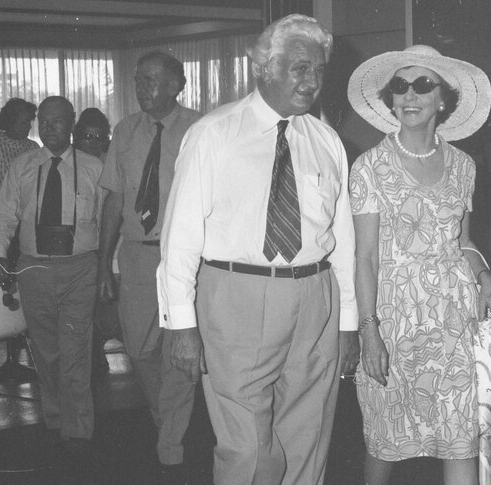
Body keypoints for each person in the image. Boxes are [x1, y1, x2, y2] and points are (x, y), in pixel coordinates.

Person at [157, 14, 359, 484]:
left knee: (307, 439)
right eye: (300, 68)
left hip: (316, 298)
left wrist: (348, 323)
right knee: (247, 450)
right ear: (265, 68)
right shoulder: (214, 133)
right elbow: (180, 236)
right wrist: (182, 326)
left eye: (319, 70)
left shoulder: (327, 141)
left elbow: (342, 238)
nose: (312, 81)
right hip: (235, 298)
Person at [346, 44, 491, 485]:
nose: (409, 96)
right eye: (400, 86)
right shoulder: (369, 168)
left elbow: (465, 242)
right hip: (395, 322)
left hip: (454, 322)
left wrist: (485, 276)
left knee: (460, 439)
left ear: (443, 99)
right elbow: (365, 257)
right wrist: (369, 331)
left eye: (422, 85)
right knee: (386, 442)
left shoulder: (464, 166)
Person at [98, 50, 202, 484]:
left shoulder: (202, 129)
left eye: (153, 80)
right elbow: (116, 199)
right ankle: (169, 424)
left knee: (180, 348)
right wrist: (104, 260)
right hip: (139, 254)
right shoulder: (124, 131)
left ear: (178, 84)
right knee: (139, 348)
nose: (143, 88)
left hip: (186, 255)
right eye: (138, 80)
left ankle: (171, 442)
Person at [0, 96, 104, 474]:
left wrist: (108, 272)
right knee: (46, 351)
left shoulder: (94, 169)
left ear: (71, 123)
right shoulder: (22, 167)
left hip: (80, 268)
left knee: (76, 351)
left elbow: (108, 223)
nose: (51, 127)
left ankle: (79, 430)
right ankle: (55, 420)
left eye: (58, 121)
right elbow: (2, 215)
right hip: (34, 268)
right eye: (45, 122)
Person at [0, 98, 40, 384]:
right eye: (23, 120)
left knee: (28, 284)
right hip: (5, 226)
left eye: (30, 121)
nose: (28, 126)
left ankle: (25, 340)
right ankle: (10, 351)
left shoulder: (33, 148)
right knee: (6, 284)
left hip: (30, 227)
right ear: (9, 121)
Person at [73, 106, 117, 383]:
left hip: (110, 245)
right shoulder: (69, 163)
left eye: (99, 137)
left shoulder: (111, 163)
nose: (94, 143)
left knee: (107, 313)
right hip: (81, 247)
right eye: (88, 137)